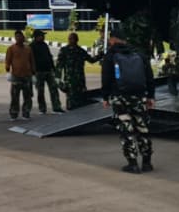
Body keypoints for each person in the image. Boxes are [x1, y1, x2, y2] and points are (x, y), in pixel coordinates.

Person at [101, 33, 156, 173]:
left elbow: (106, 77)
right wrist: (151, 96)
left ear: (112, 40)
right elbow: (149, 76)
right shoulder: (139, 53)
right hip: (139, 96)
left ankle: (132, 163)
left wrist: (105, 97)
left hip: (120, 97)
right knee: (142, 127)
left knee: (126, 129)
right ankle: (147, 162)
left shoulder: (110, 55)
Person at [56, 32, 99, 109]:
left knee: (81, 104)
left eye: (72, 39)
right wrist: (58, 81)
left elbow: (91, 60)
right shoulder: (64, 51)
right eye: (70, 39)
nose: (71, 40)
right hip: (70, 82)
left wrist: (100, 55)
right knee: (71, 105)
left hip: (80, 81)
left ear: (77, 40)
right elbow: (59, 66)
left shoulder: (81, 51)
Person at [30, 29, 64, 113]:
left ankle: (56, 107)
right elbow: (30, 60)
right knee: (40, 92)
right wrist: (32, 73)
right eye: (42, 35)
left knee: (54, 89)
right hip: (38, 71)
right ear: (36, 37)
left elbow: (49, 57)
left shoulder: (44, 45)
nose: (43, 37)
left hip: (48, 70)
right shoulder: (32, 46)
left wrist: (53, 68)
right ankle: (42, 108)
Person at [5, 29, 35, 120]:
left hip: (27, 76)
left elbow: (32, 61)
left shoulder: (28, 49)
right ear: (15, 38)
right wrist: (7, 70)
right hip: (16, 76)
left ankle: (26, 113)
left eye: (21, 37)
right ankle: (14, 113)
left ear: (23, 37)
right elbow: (8, 61)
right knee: (14, 96)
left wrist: (34, 73)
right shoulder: (11, 49)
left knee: (28, 96)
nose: (19, 38)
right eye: (17, 37)